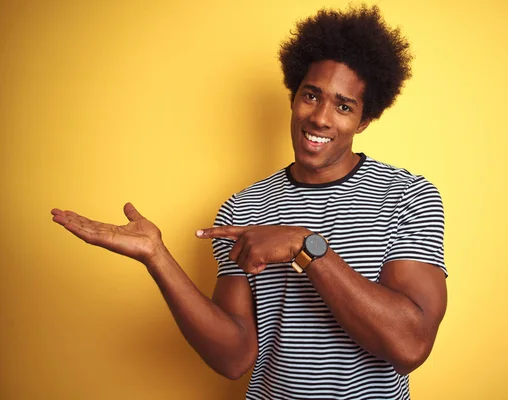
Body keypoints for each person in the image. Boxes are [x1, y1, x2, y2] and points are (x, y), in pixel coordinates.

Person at [51, 4, 447, 399]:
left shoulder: (407, 196)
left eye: (344, 106)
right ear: (294, 98)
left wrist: (305, 245)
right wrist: (157, 257)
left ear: (363, 121)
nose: (321, 118)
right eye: (312, 96)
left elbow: (410, 346)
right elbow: (235, 358)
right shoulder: (245, 208)